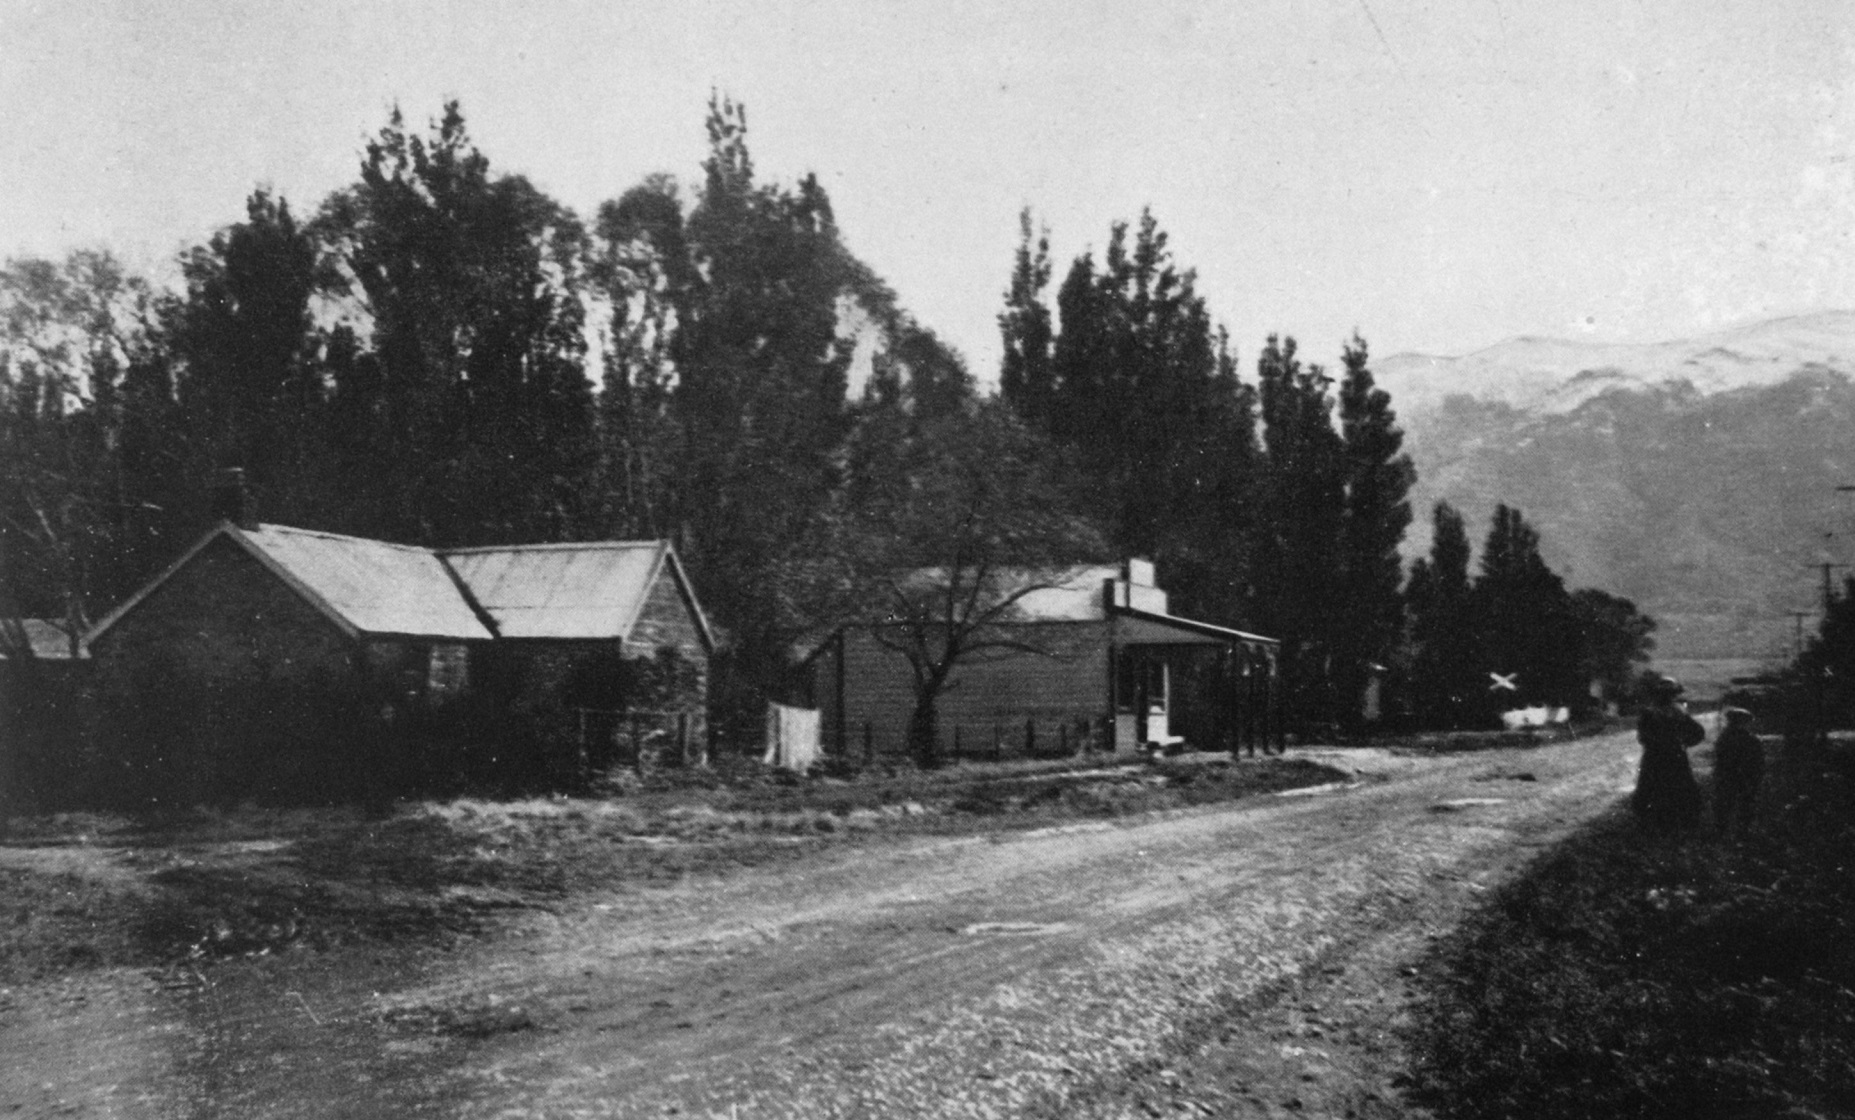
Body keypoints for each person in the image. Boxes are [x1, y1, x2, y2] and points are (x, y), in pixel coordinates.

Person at [1632, 674, 1705, 835]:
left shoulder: (1651, 712)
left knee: (1654, 787)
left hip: (1656, 756)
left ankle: (1658, 822)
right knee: (1675, 787)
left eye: (1668, 693)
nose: (1667, 696)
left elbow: (1642, 737)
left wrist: (1679, 743)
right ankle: (1672, 822)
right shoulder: (1678, 711)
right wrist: (1684, 743)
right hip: (1673, 755)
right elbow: (1697, 732)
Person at [1712, 707, 1763, 837]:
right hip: (1743, 775)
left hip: (1728, 774)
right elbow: (1757, 758)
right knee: (1744, 803)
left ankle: (1723, 830)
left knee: (1726, 803)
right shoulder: (1750, 739)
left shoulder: (1724, 737)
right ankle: (1741, 831)